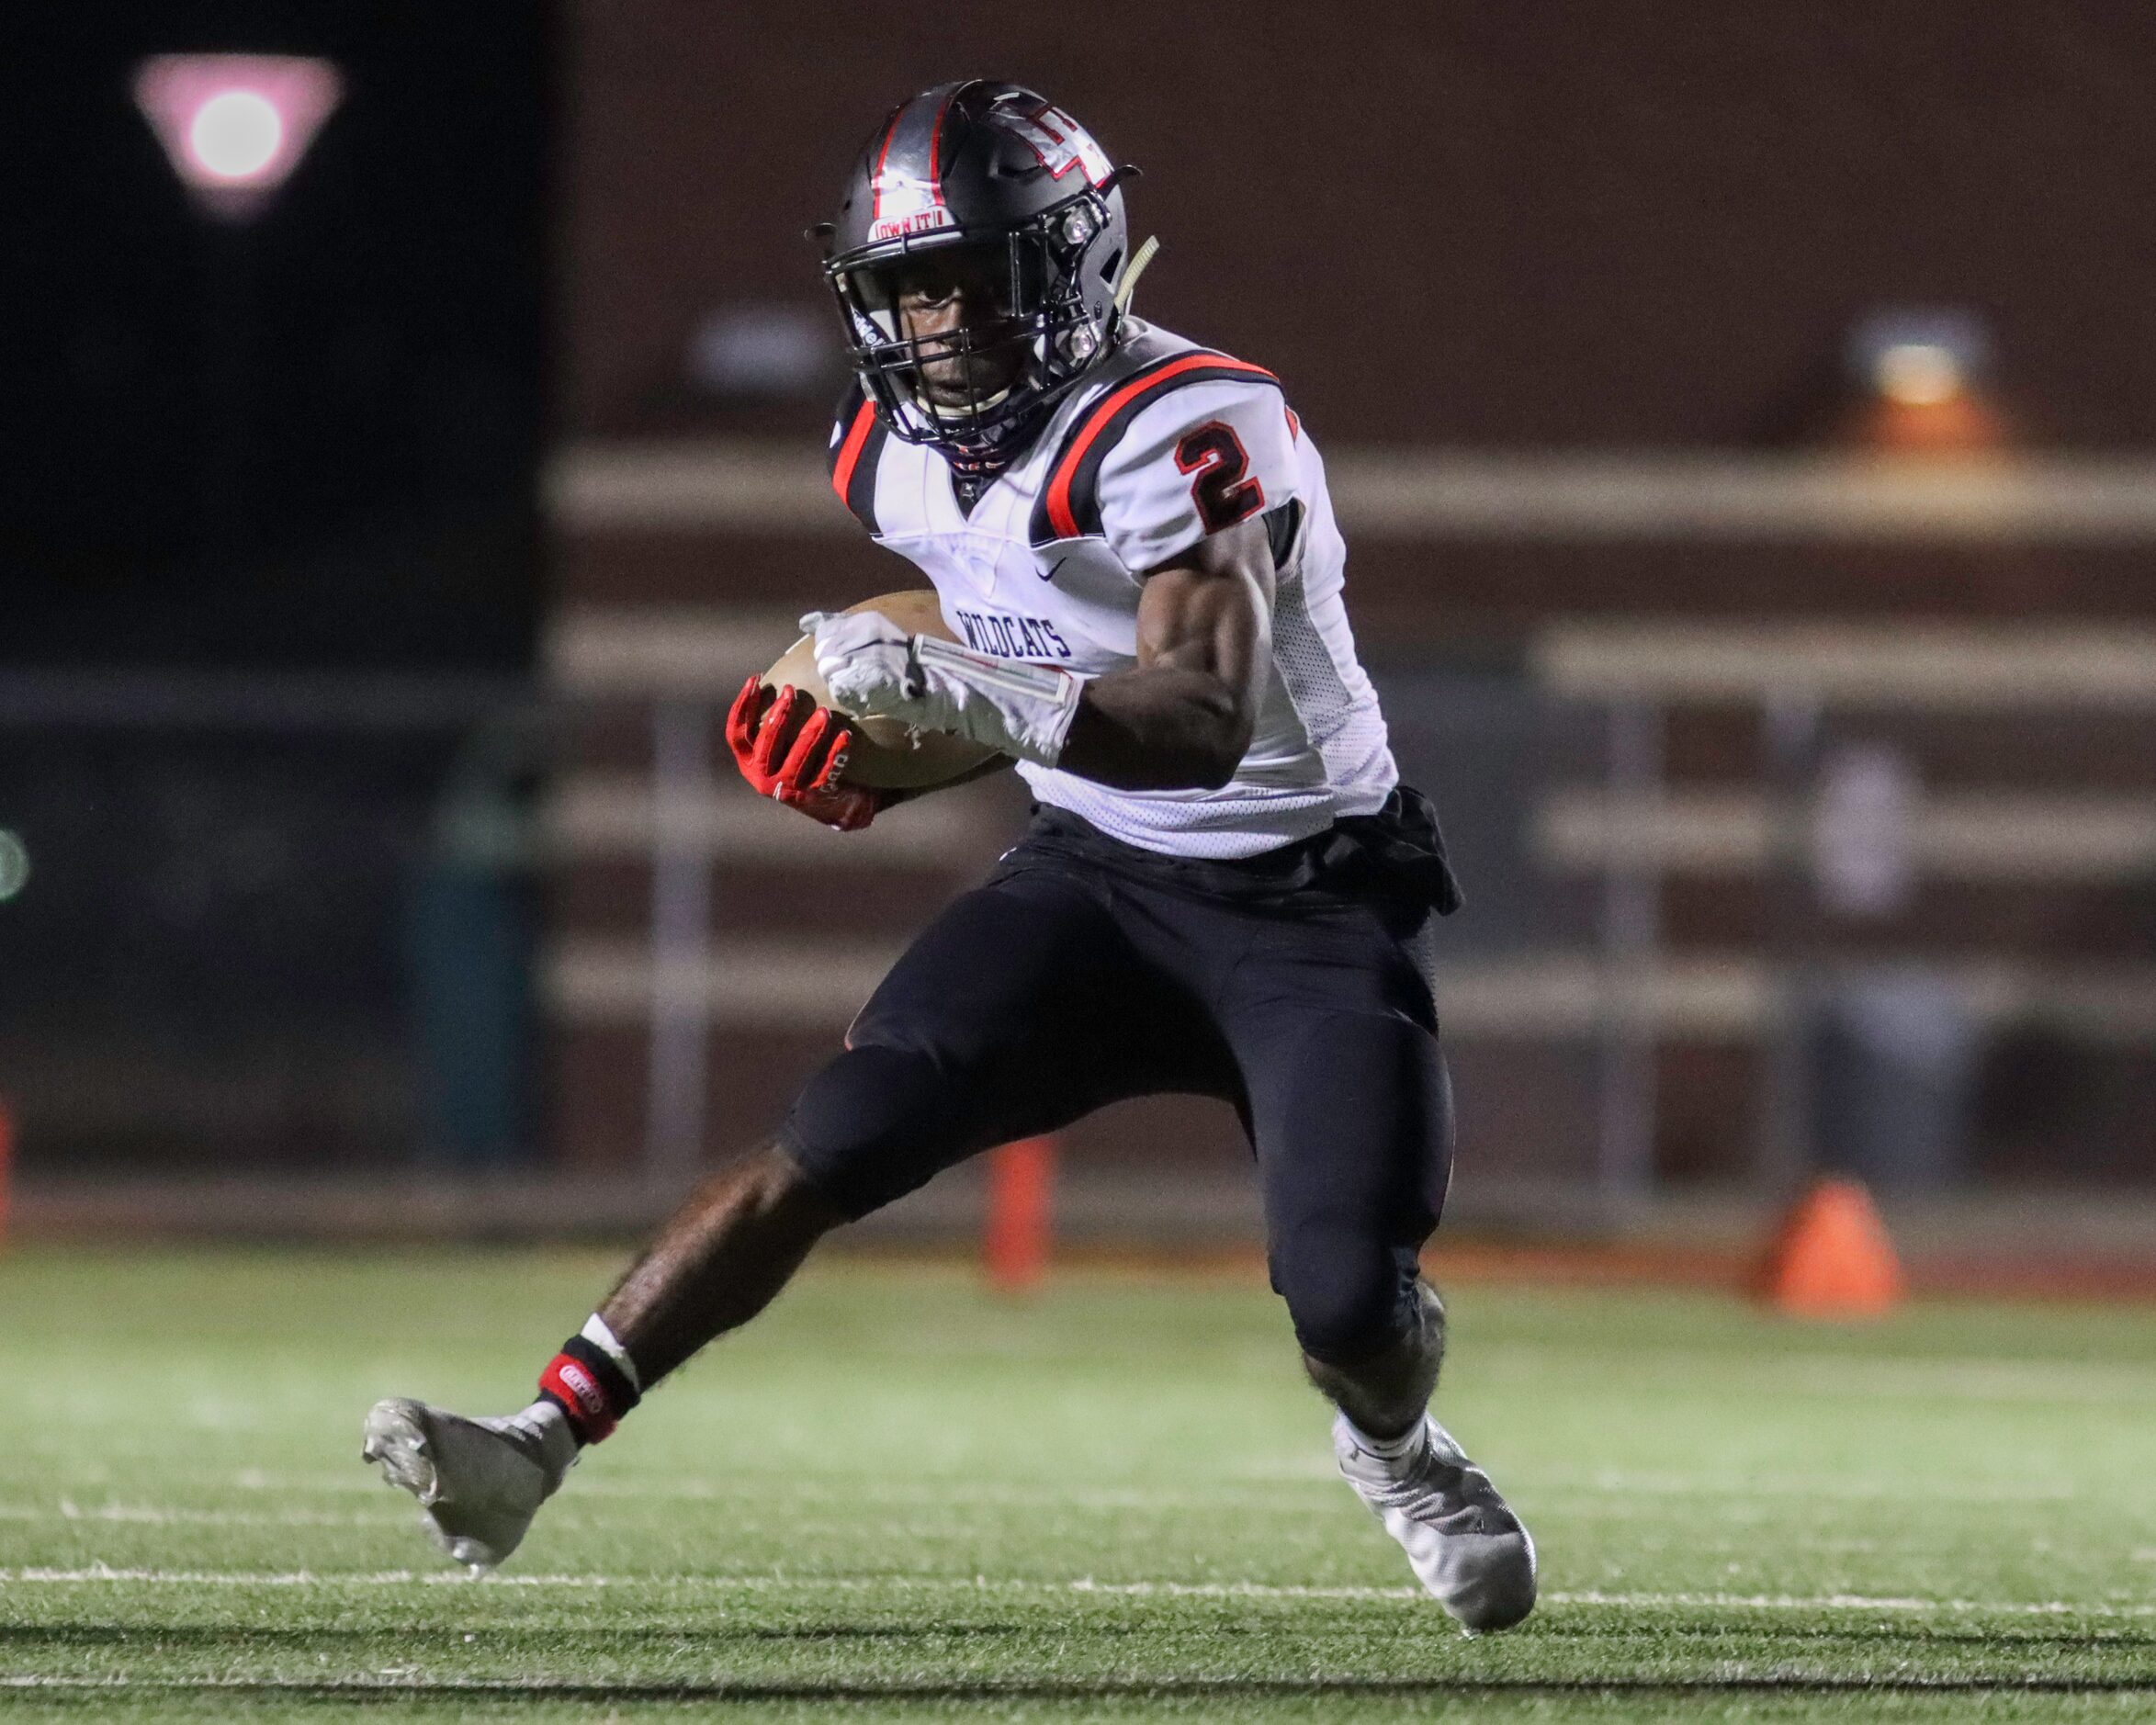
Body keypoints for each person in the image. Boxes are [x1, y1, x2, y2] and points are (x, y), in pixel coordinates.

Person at [364, 79, 1536, 1635]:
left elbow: (1196, 713)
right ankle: (535, 1442)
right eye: (908, 292)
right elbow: (1000, 622)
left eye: (973, 283)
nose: (940, 328)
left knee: (1345, 1293)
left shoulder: (1188, 422)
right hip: (1102, 874)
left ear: (1072, 266)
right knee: (836, 1130)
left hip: (1307, 894)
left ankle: (1396, 1445)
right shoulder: (884, 451)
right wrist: (885, 696)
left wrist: (960, 693)